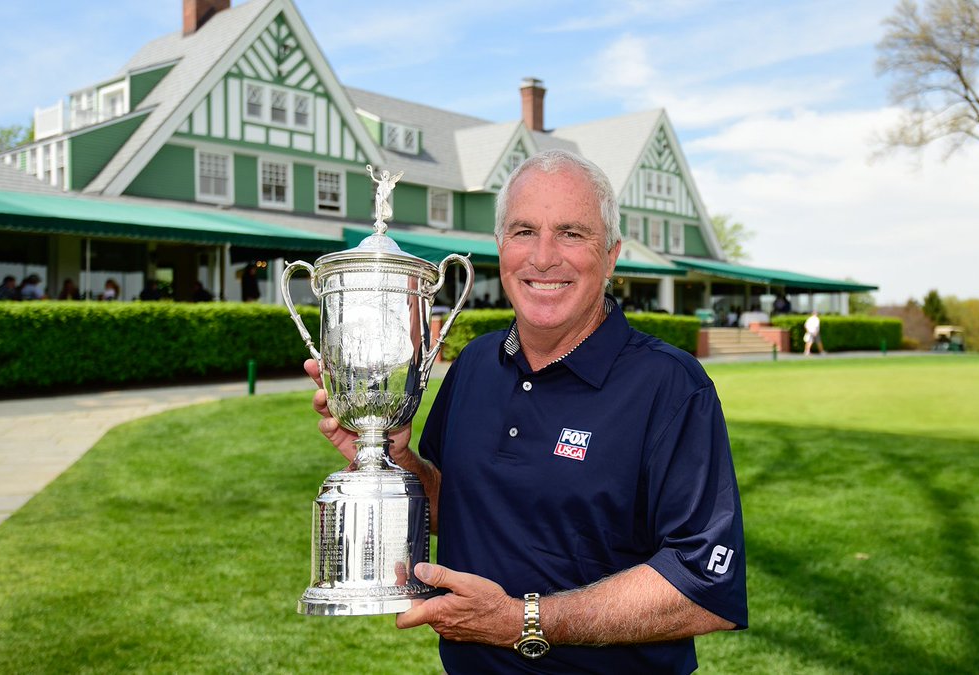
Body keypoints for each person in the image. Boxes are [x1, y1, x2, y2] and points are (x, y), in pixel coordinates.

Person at [305, 150, 747, 673]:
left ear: (610, 256)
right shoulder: (474, 365)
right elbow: (461, 508)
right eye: (523, 231)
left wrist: (523, 621)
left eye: (571, 233)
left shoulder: (670, 387)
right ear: (499, 249)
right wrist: (396, 460)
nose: (542, 257)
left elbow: (702, 585)